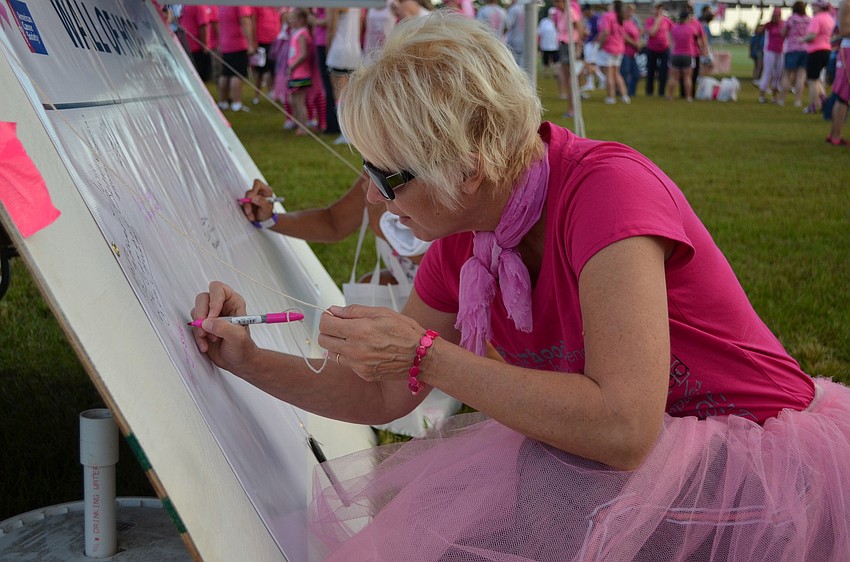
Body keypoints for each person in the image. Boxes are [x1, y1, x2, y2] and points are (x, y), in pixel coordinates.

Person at [192, 13, 850, 561]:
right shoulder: (466, 240)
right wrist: (246, 357)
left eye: (387, 177)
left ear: (468, 170)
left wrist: (430, 355)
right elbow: (384, 391)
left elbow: (624, 428)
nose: (371, 196)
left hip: (755, 475)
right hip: (627, 466)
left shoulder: (605, 190)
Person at [217, 6, 256, 112]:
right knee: (237, 75)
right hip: (238, 44)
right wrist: (250, 44)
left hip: (226, 44)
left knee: (225, 74)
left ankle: (222, 101)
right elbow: (245, 22)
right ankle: (236, 103)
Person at [776, 1, 811, 107]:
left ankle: (782, 99)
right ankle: (797, 100)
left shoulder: (791, 19)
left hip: (792, 49)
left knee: (787, 75)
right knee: (801, 76)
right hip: (805, 49)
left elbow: (783, 33)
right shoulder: (808, 20)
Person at [803, 0, 835, 114]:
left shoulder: (817, 18)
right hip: (827, 50)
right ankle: (823, 100)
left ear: (819, 7)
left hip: (816, 51)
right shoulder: (830, 18)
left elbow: (812, 35)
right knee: (817, 79)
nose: (812, 8)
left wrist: (802, 39)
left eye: (814, 6)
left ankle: (812, 106)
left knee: (811, 80)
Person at [668, 8, 705, 102]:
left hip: (676, 54)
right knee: (687, 77)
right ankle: (688, 97)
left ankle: (670, 96)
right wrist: (702, 50)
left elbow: (671, 40)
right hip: (688, 54)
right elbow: (697, 41)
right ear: (687, 18)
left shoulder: (674, 28)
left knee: (673, 77)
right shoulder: (691, 29)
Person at [596, 0, 629, 104]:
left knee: (609, 74)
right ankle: (624, 96)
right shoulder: (621, 18)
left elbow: (606, 32)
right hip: (619, 48)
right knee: (617, 73)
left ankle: (611, 97)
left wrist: (600, 45)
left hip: (609, 48)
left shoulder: (608, 16)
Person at [827, 0, 850, 145]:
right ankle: (835, 136)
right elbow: (845, 31)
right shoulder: (847, 4)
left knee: (843, 96)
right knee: (843, 96)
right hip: (848, 51)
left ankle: (835, 134)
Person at [756, 8, 786, 103]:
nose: (775, 18)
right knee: (768, 72)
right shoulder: (769, 25)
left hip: (780, 51)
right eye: (774, 16)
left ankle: (774, 96)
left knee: (778, 74)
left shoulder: (783, 24)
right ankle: (762, 96)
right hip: (769, 51)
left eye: (777, 16)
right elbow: (758, 31)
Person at [644, 3, 672, 97]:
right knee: (651, 70)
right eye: (657, 9)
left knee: (664, 71)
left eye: (660, 9)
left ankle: (661, 92)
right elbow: (652, 33)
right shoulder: (649, 21)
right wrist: (658, 21)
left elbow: (673, 31)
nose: (659, 11)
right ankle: (649, 91)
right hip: (652, 48)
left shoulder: (667, 21)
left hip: (664, 48)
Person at [181, 4, 211, 82]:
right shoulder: (199, 6)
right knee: (201, 77)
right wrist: (205, 45)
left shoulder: (186, 5)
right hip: (197, 46)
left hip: (186, 45)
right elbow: (203, 26)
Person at [620, 3, 641, 98]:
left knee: (636, 74)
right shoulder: (622, 22)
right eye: (628, 11)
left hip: (633, 53)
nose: (630, 13)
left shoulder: (633, 23)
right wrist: (634, 43)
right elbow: (623, 36)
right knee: (624, 72)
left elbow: (637, 34)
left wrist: (638, 43)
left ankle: (630, 92)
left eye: (631, 11)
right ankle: (622, 91)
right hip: (625, 51)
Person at [538, 8, 560, 78]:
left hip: (555, 45)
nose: (552, 16)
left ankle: (556, 73)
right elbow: (539, 33)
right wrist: (539, 44)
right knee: (545, 61)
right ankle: (546, 73)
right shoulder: (544, 22)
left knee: (556, 60)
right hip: (545, 45)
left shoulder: (558, 22)